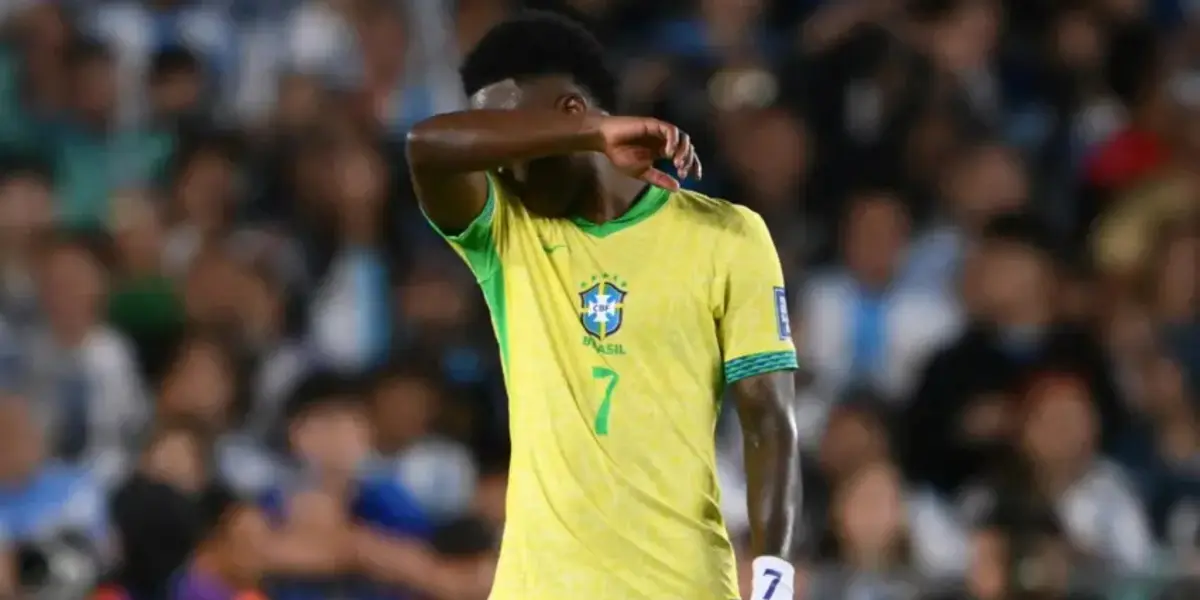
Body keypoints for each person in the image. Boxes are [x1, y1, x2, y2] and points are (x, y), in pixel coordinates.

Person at [406, 11, 802, 600]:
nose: (504, 167)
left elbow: (768, 419)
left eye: (515, 136)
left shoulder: (726, 236)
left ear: (571, 107)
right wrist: (589, 135)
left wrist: (773, 579)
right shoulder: (506, 233)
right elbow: (428, 146)